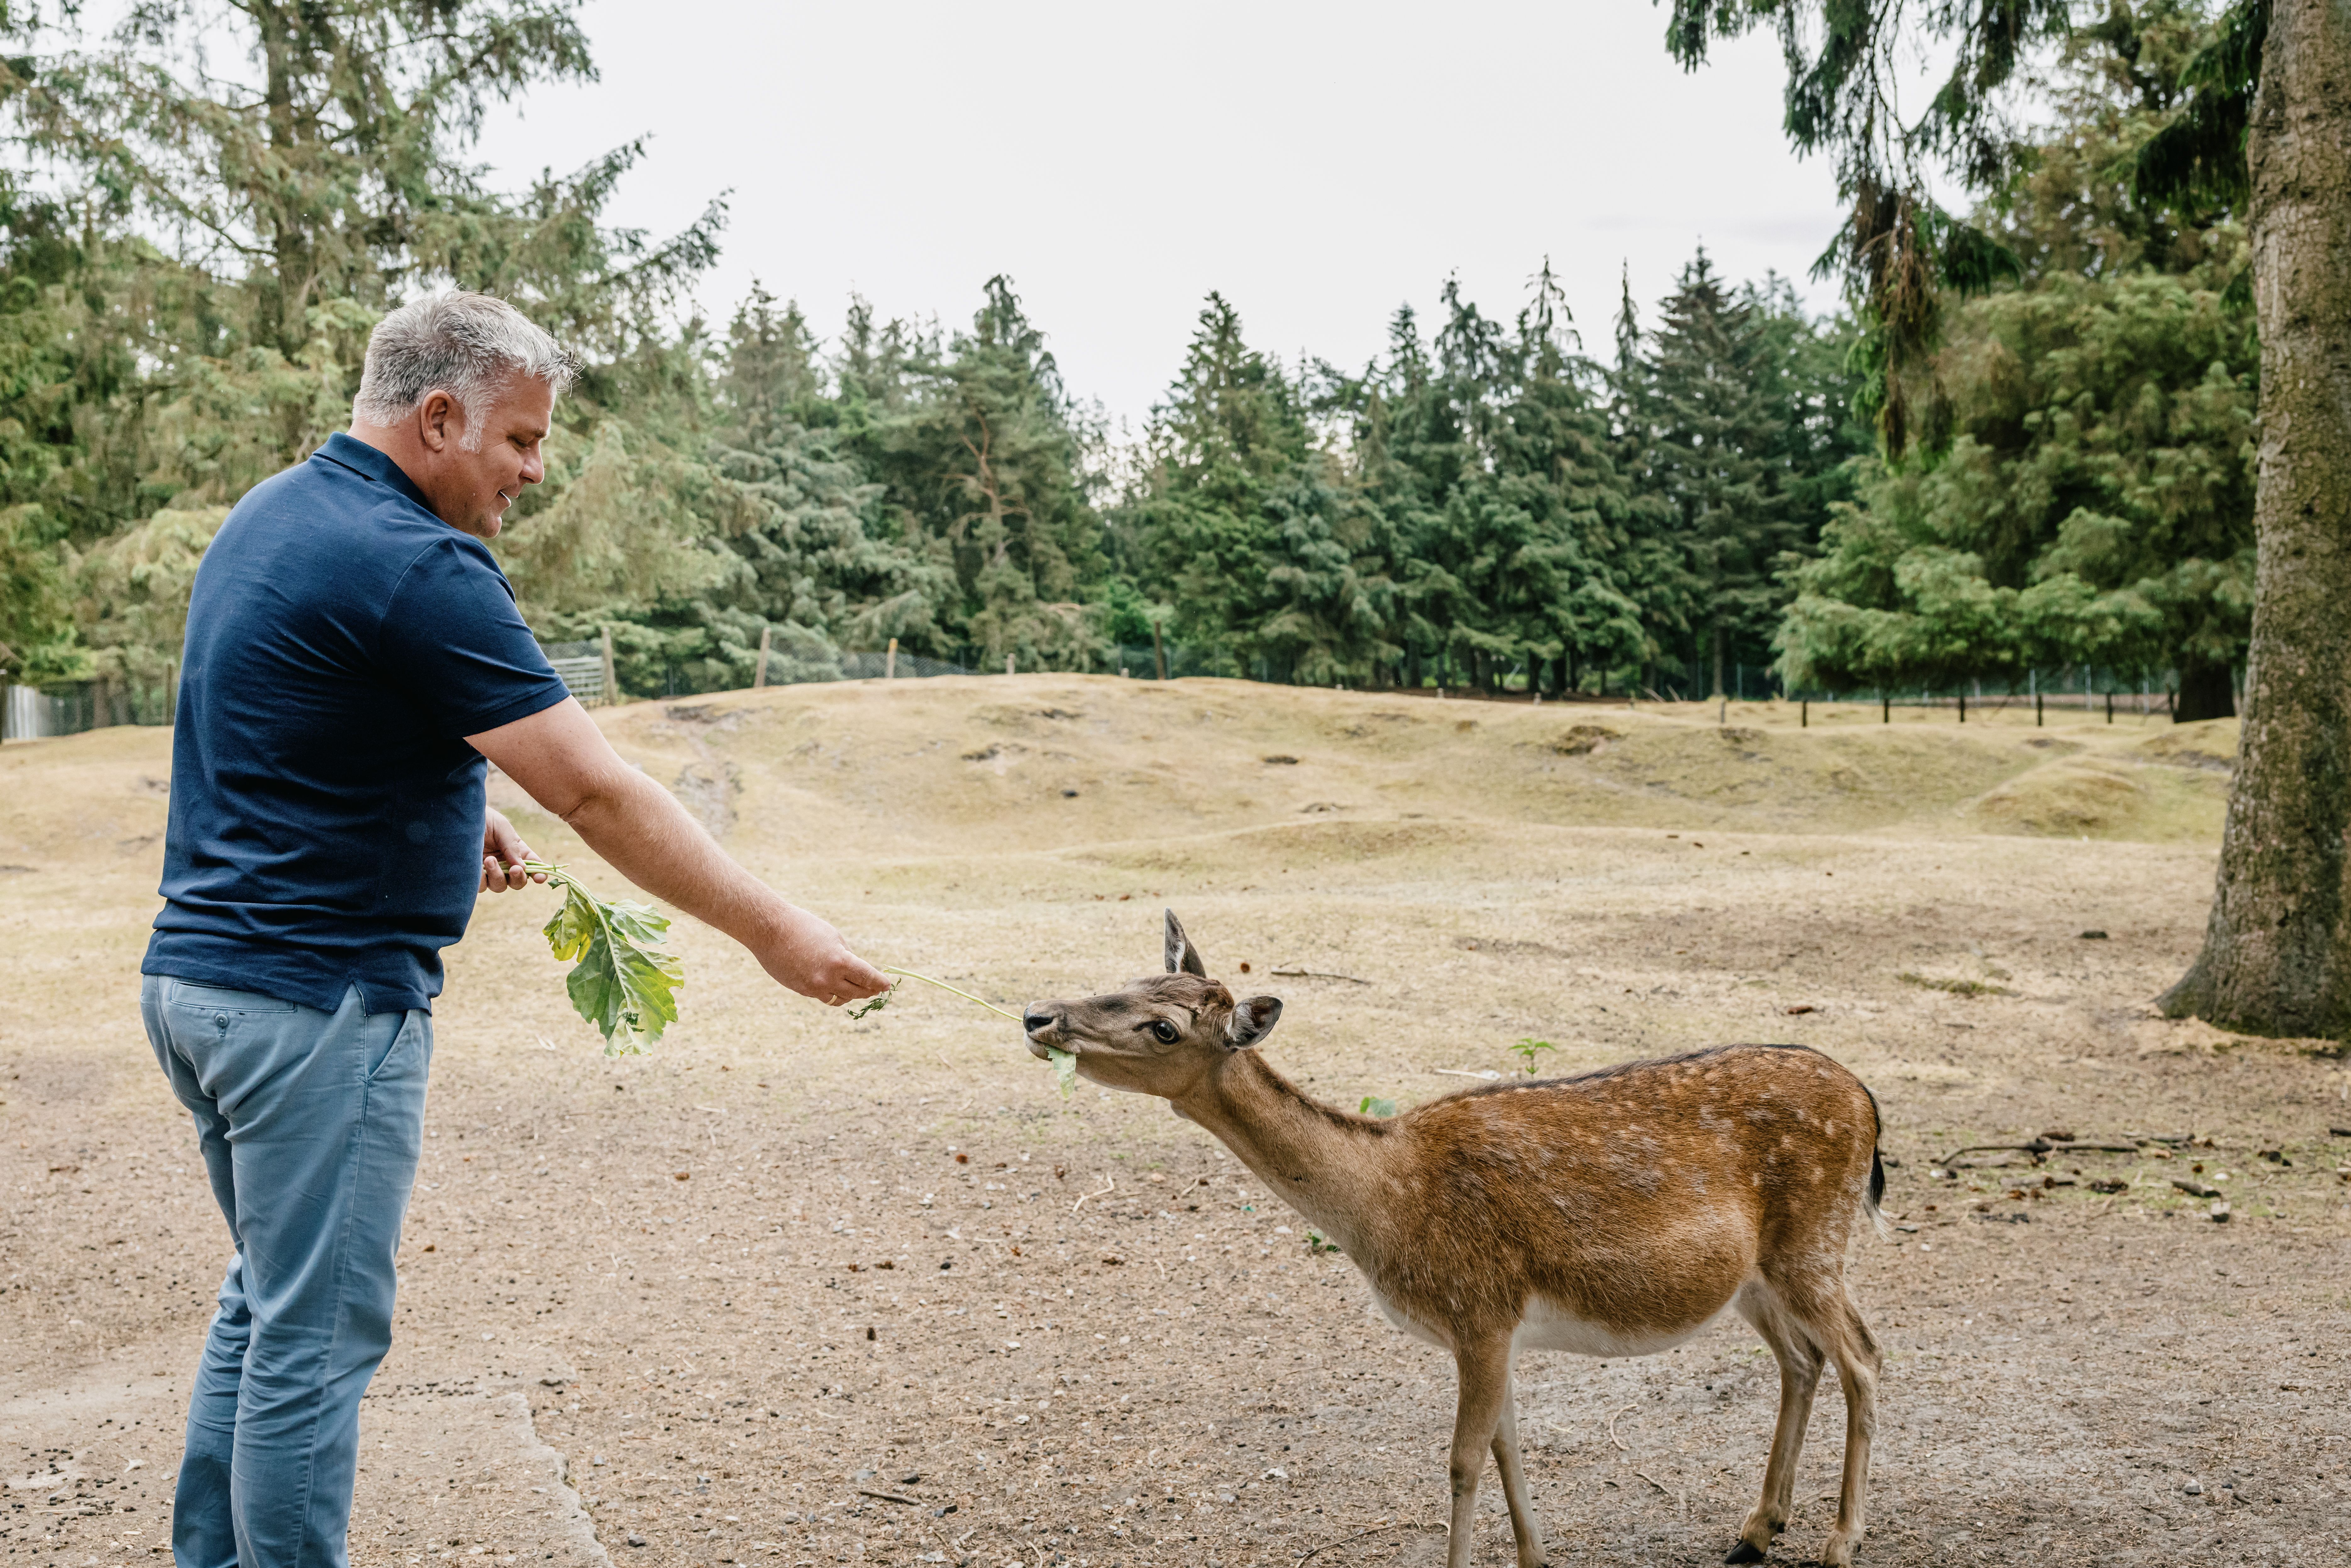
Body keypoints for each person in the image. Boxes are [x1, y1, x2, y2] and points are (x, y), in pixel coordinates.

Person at [140, 291, 888, 1568]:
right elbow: (593, 787)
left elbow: (297, 717)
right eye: (522, 441)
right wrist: (774, 930)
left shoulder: (276, 514)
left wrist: (452, 805)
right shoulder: (420, 561)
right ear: (438, 418)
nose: (536, 471)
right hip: (317, 1006)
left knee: (269, 1302)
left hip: (202, 985)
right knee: (315, 1341)